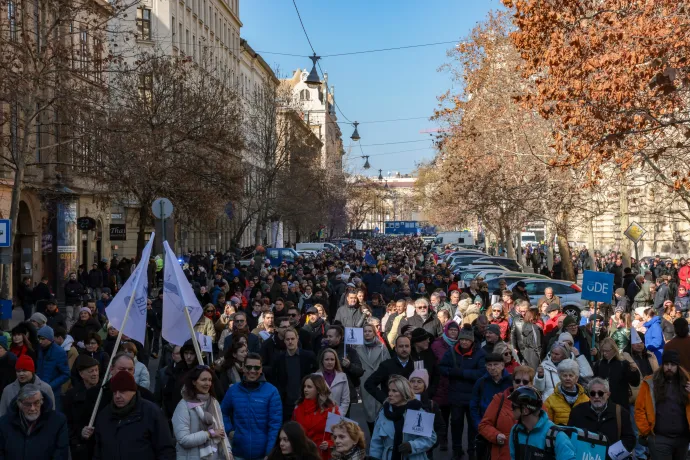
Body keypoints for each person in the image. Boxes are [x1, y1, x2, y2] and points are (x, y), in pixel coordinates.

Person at [92, 371, 175, 460]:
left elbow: (165, 450)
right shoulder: (104, 415)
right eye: (114, 392)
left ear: (133, 391)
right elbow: (98, 451)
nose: (117, 396)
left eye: (122, 391)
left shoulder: (151, 413)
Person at [221, 353, 282, 460]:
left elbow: (275, 425)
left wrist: (269, 453)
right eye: (249, 367)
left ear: (261, 369)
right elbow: (222, 412)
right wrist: (230, 430)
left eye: (256, 367)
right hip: (238, 453)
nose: (252, 370)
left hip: (262, 455)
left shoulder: (272, 391)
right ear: (243, 368)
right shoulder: (233, 390)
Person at [439, 324, 486, 460]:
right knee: (456, 424)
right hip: (456, 395)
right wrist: (450, 372)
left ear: (472, 341)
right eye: (462, 340)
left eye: (467, 340)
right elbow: (442, 367)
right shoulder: (452, 351)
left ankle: (472, 450)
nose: (464, 342)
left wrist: (463, 373)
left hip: (473, 395)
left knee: (473, 426)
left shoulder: (480, 353)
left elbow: (482, 373)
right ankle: (457, 449)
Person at [634, 349, 690, 460]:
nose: (669, 367)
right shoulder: (650, 382)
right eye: (666, 364)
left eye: (673, 365)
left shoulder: (687, 382)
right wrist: (646, 431)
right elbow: (639, 408)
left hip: (682, 439)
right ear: (662, 365)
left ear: (678, 366)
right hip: (659, 438)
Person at [369, 375, 437, 460]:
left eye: (394, 391)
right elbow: (376, 442)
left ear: (404, 392)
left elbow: (431, 438)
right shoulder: (384, 412)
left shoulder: (416, 410)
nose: (390, 394)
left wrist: (412, 446)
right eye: (389, 390)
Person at [567, 378, 636, 460]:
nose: (596, 397)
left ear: (608, 394)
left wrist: (610, 455)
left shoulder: (620, 412)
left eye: (600, 393)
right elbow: (569, 436)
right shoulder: (577, 411)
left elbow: (629, 440)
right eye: (592, 393)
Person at [172, 365, 231, 460]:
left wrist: (228, 452)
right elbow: (183, 439)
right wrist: (209, 434)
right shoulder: (184, 405)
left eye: (210, 380)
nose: (208, 383)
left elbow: (221, 431)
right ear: (194, 382)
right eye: (203, 380)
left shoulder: (214, 403)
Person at [478, 366, 535, 460]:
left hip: (529, 453)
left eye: (525, 382)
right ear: (513, 382)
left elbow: (545, 427)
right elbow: (484, 425)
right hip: (503, 453)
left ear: (531, 384)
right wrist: (496, 435)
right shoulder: (499, 399)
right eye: (517, 381)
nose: (520, 384)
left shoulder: (537, 403)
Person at [0, 383, 69, 459]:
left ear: (41, 401)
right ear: (19, 404)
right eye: (27, 404)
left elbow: (61, 453)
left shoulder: (58, 421)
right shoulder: (4, 423)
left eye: (36, 403)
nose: (32, 408)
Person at [508, 386, 576, 460]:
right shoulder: (515, 431)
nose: (511, 409)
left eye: (513, 406)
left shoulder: (556, 436)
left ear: (525, 410)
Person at [271, 327, 318, 421]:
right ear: (284, 341)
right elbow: (276, 379)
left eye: (292, 339)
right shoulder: (279, 359)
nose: (290, 342)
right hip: (287, 403)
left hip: (305, 401)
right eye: (287, 339)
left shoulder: (308, 356)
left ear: (297, 338)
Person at [292, 374, 339, 460]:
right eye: (304, 386)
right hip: (302, 454)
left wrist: (329, 443)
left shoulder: (331, 409)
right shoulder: (298, 408)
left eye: (309, 387)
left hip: (323, 455)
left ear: (318, 389)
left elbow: (339, 434)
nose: (305, 389)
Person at [63, 355, 101, 460]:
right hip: (81, 448)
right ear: (81, 374)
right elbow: (66, 423)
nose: (95, 374)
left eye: (96, 370)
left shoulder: (105, 393)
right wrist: (80, 433)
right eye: (91, 371)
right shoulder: (71, 395)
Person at [355, 323, 390, 435]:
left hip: (378, 381)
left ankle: (379, 435)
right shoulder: (357, 348)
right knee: (368, 410)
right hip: (364, 381)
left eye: (370, 331)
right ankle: (372, 433)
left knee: (379, 409)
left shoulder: (381, 347)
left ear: (374, 333)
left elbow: (387, 363)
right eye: (365, 331)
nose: (367, 333)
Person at [431, 320, 458, 450]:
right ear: (446, 330)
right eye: (451, 330)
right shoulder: (437, 344)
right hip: (441, 384)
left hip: (456, 385)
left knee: (456, 418)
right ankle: (443, 440)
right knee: (443, 416)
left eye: (455, 330)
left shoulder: (461, 344)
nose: (453, 332)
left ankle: (456, 444)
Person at [364, 335, 415, 404]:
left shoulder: (416, 365)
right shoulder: (386, 365)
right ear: (396, 348)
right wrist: (384, 399)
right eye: (401, 346)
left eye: (407, 346)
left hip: (413, 406)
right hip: (393, 408)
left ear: (410, 348)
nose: (404, 349)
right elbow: (369, 384)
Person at [592, 337, 641, 407]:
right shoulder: (598, 364)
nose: (605, 353)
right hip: (603, 403)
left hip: (620, 403)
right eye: (603, 351)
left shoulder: (623, 364)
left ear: (614, 349)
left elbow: (635, 383)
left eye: (607, 351)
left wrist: (634, 372)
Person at [408, 368, 446, 458]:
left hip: (426, 452)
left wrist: (431, 445)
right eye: (412, 381)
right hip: (406, 451)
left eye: (419, 382)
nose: (415, 385)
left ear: (425, 385)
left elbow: (441, 427)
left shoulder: (431, 405)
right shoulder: (403, 403)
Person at [470, 353, 512, 430]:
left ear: (502, 365)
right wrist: (478, 424)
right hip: (486, 424)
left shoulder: (511, 381)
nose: (492, 368)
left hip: (507, 424)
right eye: (489, 365)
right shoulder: (481, 382)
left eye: (496, 364)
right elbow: (473, 405)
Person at [35, 325, 70, 412]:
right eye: (39, 338)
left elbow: (66, 374)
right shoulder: (38, 349)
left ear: (50, 339)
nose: (40, 341)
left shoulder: (59, 352)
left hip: (53, 392)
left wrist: (50, 386)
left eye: (43, 339)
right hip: (37, 390)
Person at [543, 358, 589, 425]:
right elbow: (547, 424)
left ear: (576, 378)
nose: (568, 378)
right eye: (564, 375)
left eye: (571, 375)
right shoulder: (550, 400)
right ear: (560, 377)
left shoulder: (586, 400)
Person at [315, 348, 350, 416]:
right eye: (327, 359)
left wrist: (339, 414)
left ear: (336, 361)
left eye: (332, 359)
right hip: (319, 415)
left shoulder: (342, 376)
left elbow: (345, 400)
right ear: (322, 361)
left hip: (337, 415)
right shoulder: (315, 377)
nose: (330, 362)